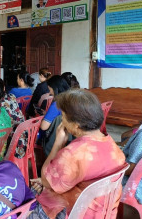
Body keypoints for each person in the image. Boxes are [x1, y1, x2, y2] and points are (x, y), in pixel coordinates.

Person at [29, 89, 126, 218]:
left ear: (76, 125)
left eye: (63, 117)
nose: (62, 120)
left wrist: (58, 144)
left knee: (29, 198)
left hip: (74, 211)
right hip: (100, 210)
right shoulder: (111, 144)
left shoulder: (73, 153)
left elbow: (47, 182)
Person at [39, 75, 71, 155]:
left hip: (55, 140)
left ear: (55, 89)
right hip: (70, 138)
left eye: (50, 90)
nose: (50, 93)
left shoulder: (56, 104)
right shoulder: (72, 99)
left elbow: (44, 126)